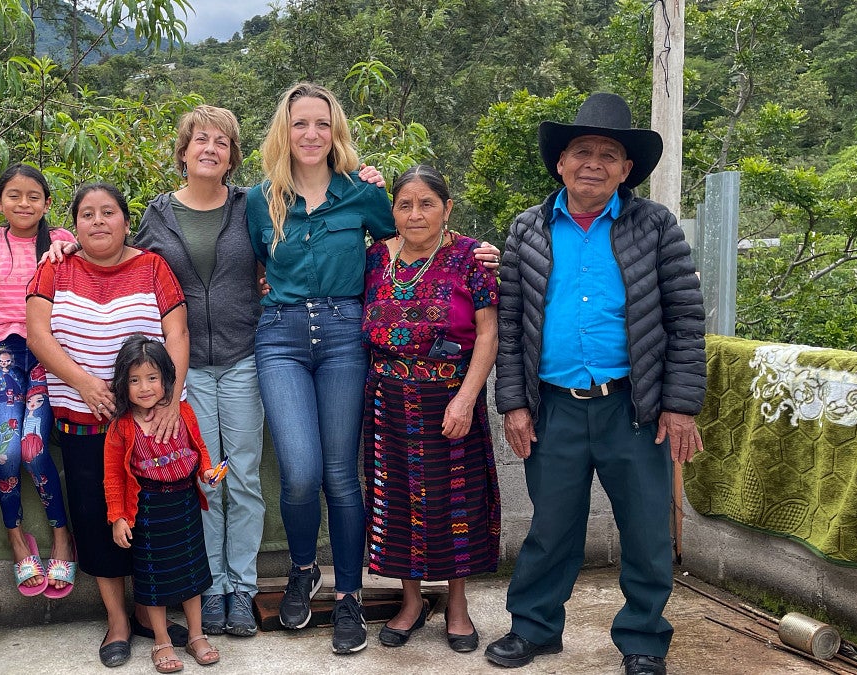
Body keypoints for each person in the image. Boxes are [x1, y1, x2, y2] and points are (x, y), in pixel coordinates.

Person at [485, 93, 706, 675]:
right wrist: (513, 404)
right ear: (560, 162)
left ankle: (643, 640)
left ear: (626, 169)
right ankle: (535, 628)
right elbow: (509, 325)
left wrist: (679, 406)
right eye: (582, 151)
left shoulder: (655, 226)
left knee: (646, 530)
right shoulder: (528, 229)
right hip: (552, 409)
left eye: (609, 154)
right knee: (552, 528)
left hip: (632, 407)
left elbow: (685, 317)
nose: (594, 163)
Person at [245, 81, 395, 655]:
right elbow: (243, 259)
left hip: (344, 334)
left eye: (323, 124)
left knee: (339, 474)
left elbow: (405, 244)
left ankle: (350, 596)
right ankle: (304, 570)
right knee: (300, 471)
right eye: (301, 124)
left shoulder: (362, 192)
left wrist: (470, 253)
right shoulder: (260, 199)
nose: (312, 135)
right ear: (285, 131)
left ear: (337, 133)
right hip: (279, 335)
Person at [26, 182, 191, 668]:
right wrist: (84, 384)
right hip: (82, 421)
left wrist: (171, 401)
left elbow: (177, 333)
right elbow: (38, 334)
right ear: (73, 225)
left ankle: (147, 610)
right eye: (88, 214)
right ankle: (117, 620)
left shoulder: (153, 267)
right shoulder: (54, 267)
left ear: (125, 219)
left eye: (109, 212)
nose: (98, 221)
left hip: (147, 427)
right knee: (97, 521)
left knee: (149, 519)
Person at [133, 105, 265, 637]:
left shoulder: (251, 205)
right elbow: (126, 262)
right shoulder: (159, 213)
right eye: (200, 139)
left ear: (232, 156)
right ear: (183, 150)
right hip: (184, 371)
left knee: (245, 477)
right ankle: (210, 589)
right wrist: (66, 247)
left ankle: (244, 589)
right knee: (203, 480)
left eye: (222, 142)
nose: (210, 148)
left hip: (245, 357)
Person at [361, 165, 500, 653]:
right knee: (395, 503)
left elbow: (488, 332)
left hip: (449, 401)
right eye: (404, 204)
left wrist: (466, 398)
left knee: (453, 504)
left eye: (427, 203)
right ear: (392, 210)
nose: (415, 214)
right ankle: (411, 602)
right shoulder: (376, 258)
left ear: (447, 208)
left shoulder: (470, 258)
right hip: (388, 404)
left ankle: (457, 606)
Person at [0, 163, 77, 599]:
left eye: (34, 196)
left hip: (47, 354)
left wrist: (66, 253)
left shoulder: (63, 241)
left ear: (47, 203)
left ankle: (62, 536)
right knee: (5, 450)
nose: (24, 203)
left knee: (34, 448)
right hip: (2, 355)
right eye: (13, 195)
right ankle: (17, 541)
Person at [104, 335, 222, 673]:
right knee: (153, 579)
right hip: (148, 509)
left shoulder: (182, 412)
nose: (145, 387)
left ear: (167, 379)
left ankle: (196, 635)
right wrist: (118, 517)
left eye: (152, 378)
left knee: (192, 572)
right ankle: (162, 640)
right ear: (122, 384)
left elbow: (198, 449)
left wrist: (208, 472)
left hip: (184, 503)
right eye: (135, 380)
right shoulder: (121, 428)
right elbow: (113, 477)